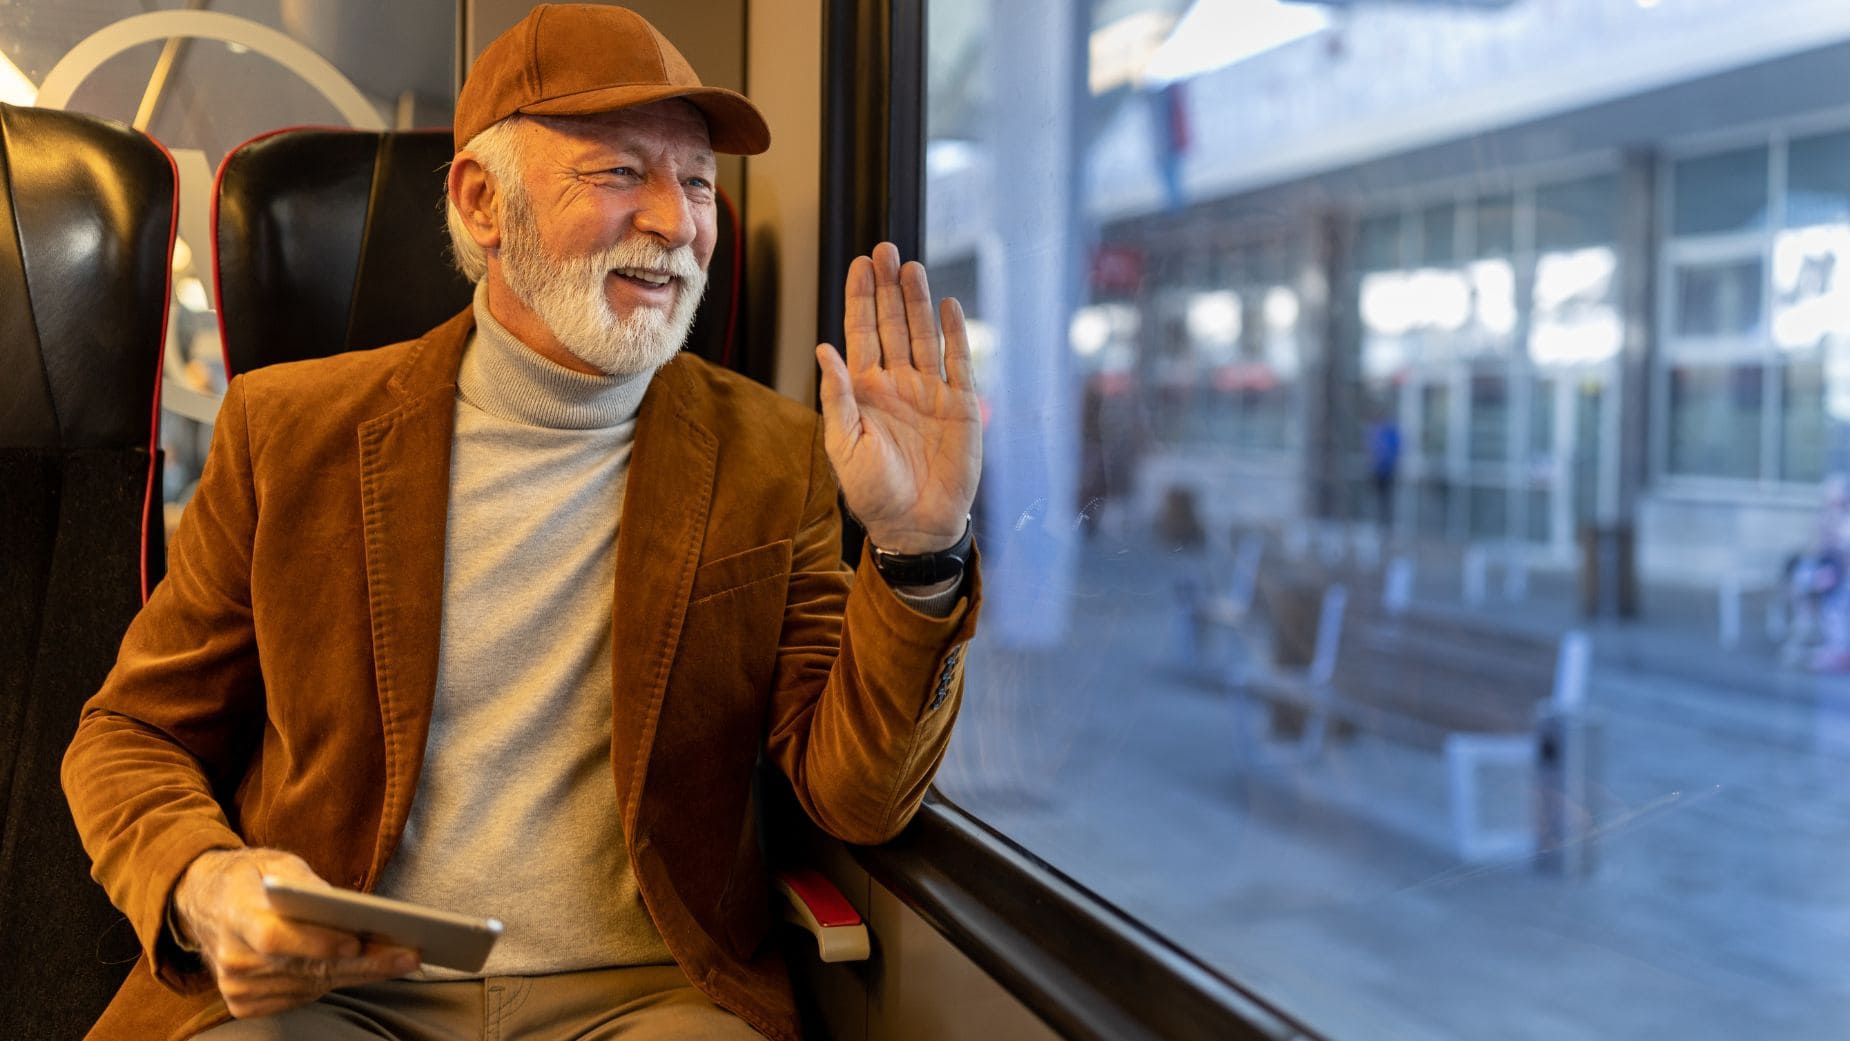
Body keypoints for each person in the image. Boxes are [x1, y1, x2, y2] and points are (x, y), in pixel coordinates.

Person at [60, 6, 982, 1041]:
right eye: (621, 174)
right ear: (481, 201)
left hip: (641, 994)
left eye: (694, 182)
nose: (676, 224)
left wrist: (915, 551)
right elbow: (127, 737)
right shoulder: (288, 433)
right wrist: (205, 881)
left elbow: (852, 804)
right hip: (339, 990)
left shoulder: (773, 457)